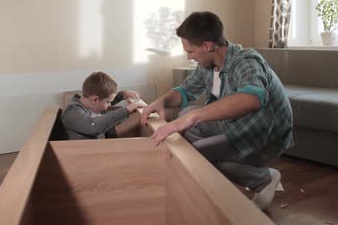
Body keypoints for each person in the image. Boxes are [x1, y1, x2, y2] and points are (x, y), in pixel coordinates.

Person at [140, 11, 294, 210]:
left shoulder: (246, 62)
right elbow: (186, 91)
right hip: (236, 124)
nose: (189, 56)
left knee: (196, 153)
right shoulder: (208, 63)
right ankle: (216, 162)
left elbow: (252, 99)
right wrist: (160, 101)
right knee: (185, 116)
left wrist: (193, 118)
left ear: (208, 46)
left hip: (264, 135)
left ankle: (264, 179)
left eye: (190, 51)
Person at [62, 71, 145, 140]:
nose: (109, 105)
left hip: (102, 139)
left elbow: (102, 101)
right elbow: (93, 125)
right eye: (108, 102)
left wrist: (122, 95)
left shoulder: (88, 104)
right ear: (94, 99)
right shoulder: (72, 112)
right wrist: (126, 110)